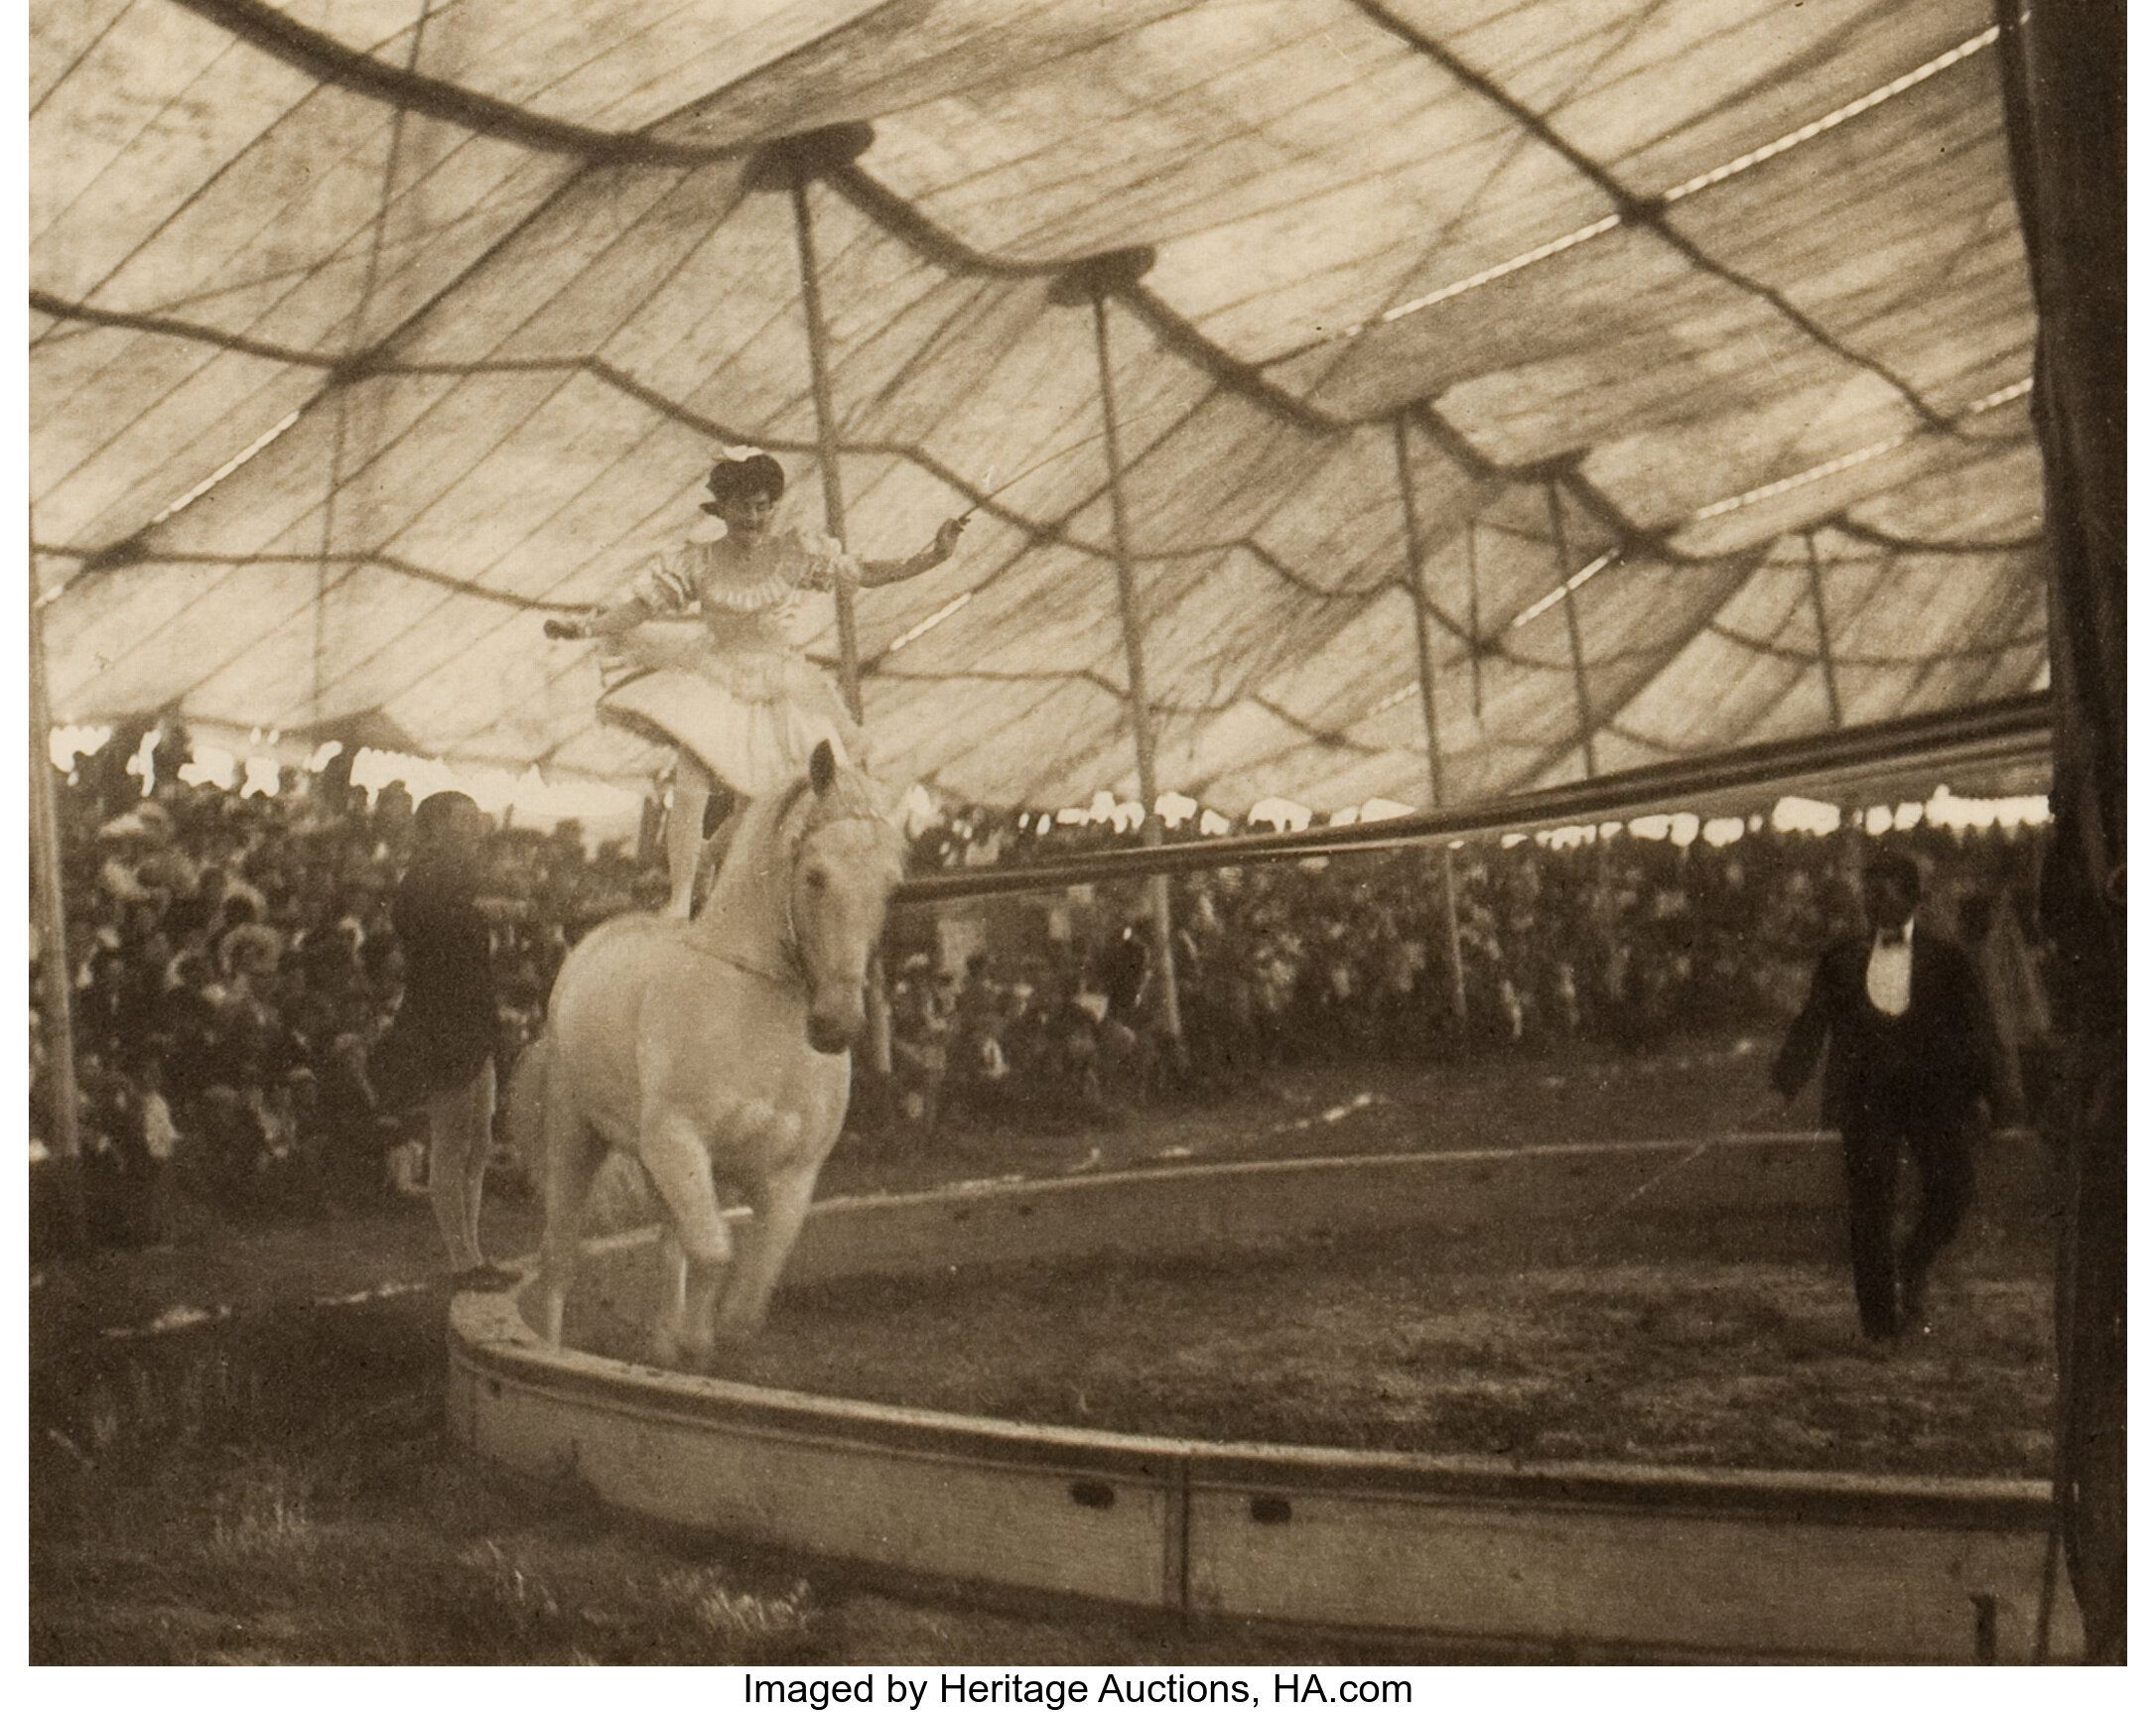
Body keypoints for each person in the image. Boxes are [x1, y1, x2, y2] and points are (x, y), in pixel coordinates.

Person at [547, 450, 967, 916]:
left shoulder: (795, 553)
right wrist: (585, 628)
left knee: (764, 796)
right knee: (693, 772)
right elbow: (640, 608)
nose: (753, 516)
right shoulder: (696, 561)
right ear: (721, 509)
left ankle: (711, 858)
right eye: (743, 506)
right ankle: (681, 896)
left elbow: (864, 573)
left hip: (780, 682)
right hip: (716, 673)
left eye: (762, 505)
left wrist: (934, 555)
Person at [1770, 852, 2000, 1341]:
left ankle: (1913, 1262)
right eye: (1867, 892)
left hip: (1930, 1094)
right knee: (1869, 1209)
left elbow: (1975, 1030)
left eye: (1885, 891)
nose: (1873, 902)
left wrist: (1985, 1094)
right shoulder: (1840, 959)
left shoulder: (1947, 959)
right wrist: (1784, 1084)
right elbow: (1812, 1024)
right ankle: (1879, 1326)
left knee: (1953, 1188)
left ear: (1913, 897)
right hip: (1866, 1096)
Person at [368, 791, 508, 1284]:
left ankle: (472, 1252)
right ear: (433, 830)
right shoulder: (425, 883)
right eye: (463, 821)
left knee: (478, 1142)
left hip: (468, 1021)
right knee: (453, 1142)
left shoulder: (449, 883)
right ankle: (461, 1259)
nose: (475, 828)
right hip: (444, 1024)